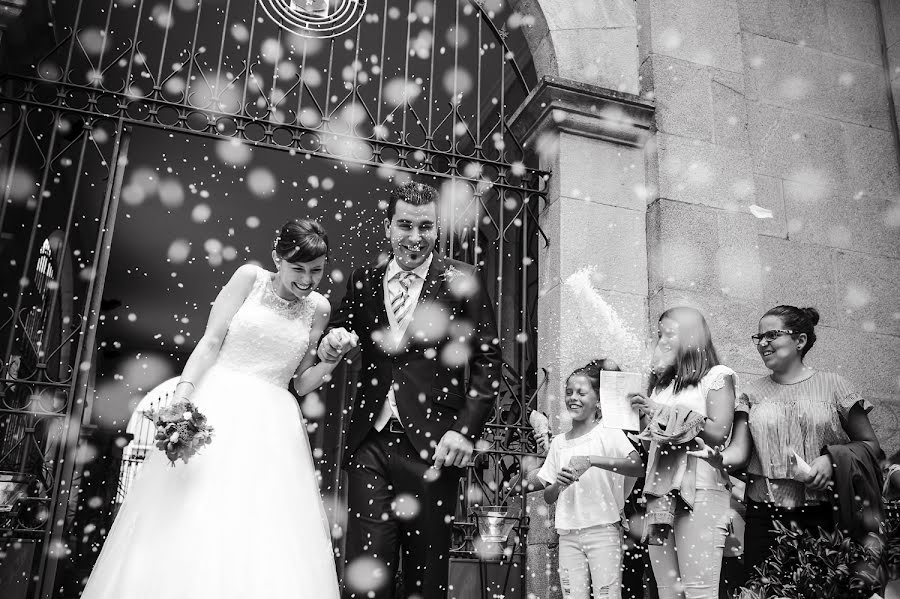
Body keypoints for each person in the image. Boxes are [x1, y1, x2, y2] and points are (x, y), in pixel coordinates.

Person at [80, 219, 349, 599]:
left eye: (317, 271)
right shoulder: (248, 278)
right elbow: (210, 342)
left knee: (262, 520)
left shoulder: (319, 308)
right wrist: (183, 395)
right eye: (298, 268)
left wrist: (331, 361)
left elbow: (302, 382)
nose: (307, 280)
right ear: (277, 258)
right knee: (195, 506)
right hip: (219, 401)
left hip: (272, 422)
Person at [318, 181, 502, 599]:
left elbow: (488, 359)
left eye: (426, 227)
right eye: (405, 225)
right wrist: (333, 340)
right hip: (371, 442)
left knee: (425, 576)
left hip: (436, 446)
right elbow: (340, 329)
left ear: (438, 231)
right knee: (368, 569)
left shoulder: (464, 279)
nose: (415, 238)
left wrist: (465, 431)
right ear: (388, 227)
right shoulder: (364, 279)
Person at [688, 305, 882, 575]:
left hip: (826, 515)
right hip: (765, 517)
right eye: (759, 337)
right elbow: (740, 452)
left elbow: (871, 447)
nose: (763, 343)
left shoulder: (835, 385)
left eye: (772, 335)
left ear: (800, 341)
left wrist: (831, 460)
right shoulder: (751, 393)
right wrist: (720, 459)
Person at [628, 306, 736, 599]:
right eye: (660, 333)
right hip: (661, 495)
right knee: (668, 593)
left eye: (670, 333)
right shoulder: (660, 388)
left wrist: (661, 413)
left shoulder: (716, 376)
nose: (662, 340)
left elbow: (718, 432)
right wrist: (639, 419)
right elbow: (652, 447)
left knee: (699, 592)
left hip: (701, 490)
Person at [530, 360, 644, 599]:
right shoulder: (559, 443)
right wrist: (559, 483)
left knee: (607, 595)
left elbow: (636, 466)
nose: (573, 398)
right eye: (569, 392)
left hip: (603, 530)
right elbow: (549, 497)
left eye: (582, 393)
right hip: (568, 534)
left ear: (598, 401)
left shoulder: (609, 432)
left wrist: (593, 460)